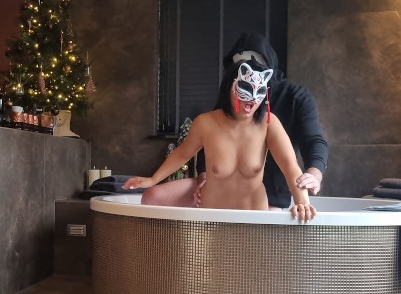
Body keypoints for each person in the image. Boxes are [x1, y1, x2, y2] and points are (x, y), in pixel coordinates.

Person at [141, 31, 328, 209]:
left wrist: (312, 177)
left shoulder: (282, 110)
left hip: (269, 194)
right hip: (217, 193)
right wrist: (204, 178)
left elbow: (297, 158)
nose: (249, 99)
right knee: (153, 196)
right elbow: (201, 147)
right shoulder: (218, 112)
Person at [124, 60, 316, 222]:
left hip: (254, 219)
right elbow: (182, 153)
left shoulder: (268, 123)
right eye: (245, 89)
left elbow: (290, 167)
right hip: (211, 218)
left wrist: (303, 202)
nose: (251, 101)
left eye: (258, 93)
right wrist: (153, 179)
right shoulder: (205, 123)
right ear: (230, 87)